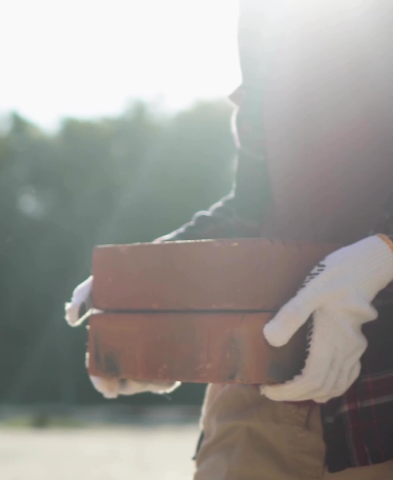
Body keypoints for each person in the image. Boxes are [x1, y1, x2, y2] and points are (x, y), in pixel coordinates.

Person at [65, 1, 393, 478]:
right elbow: (254, 207)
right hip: (252, 398)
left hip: (380, 405)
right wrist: (152, 281)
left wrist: (382, 257)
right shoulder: (266, 16)